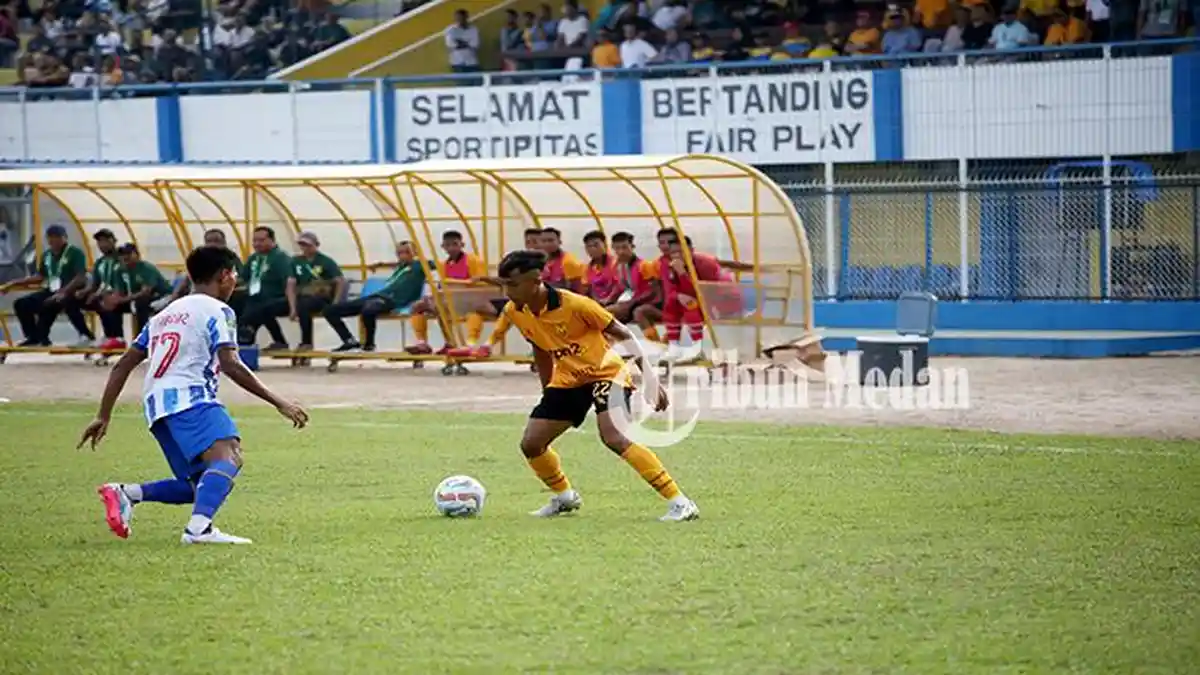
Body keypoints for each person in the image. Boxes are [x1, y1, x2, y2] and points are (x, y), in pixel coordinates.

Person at [78, 246, 308, 545]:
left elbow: (124, 364)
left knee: (199, 485)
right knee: (229, 455)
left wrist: (103, 415)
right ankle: (199, 530)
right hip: (190, 396)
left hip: (157, 406)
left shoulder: (164, 314)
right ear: (224, 276)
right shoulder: (219, 310)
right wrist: (280, 402)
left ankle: (127, 493)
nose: (235, 281)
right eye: (234, 274)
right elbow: (231, 364)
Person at [493, 249, 699, 522]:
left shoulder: (576, 304)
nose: (507, 291)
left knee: (614, 437)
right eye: (504, 284)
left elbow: (624, 333)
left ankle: (681, 503)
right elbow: (540, 347)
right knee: (532, 443)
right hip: (568, 380)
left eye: (513, 284)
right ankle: (564, 497)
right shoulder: (514, 311)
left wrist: (649, 378)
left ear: (536, 280)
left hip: (606, 375)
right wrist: (548, 389)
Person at [324, 241, 428, 352]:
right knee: (330, 310)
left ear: (415, 253)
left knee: (369, 309)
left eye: (407, 252)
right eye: (399, 253)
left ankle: (369, 344)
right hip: (377, 297)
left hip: (393, 301)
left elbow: (434, 264)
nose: (402, 256)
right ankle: (349, 340)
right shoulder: (402, 266)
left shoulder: (419, 266)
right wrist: (381, 264)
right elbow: (396, 264)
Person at [1, 224, 93, 347]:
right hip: (51, 290)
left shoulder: (74, 253)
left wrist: (64, 291)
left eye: (57, 236)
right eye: (51, 237)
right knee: (22, 304)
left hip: (70, 290)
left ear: (64, 238)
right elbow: (40, 276)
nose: (54, 240)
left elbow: (80, 276)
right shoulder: (47, 255)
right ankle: (34, 337)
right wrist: (13, 283)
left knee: (59, 303)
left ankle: (85, 335)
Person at [408, 230, 488, 355]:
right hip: (449, 301)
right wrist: (429, 298)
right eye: (448, 245)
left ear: (462, 244)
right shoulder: (443, 264)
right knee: (417, 307)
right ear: (443, 247)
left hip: (470, 301)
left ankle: (470, 344)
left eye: (454, 244)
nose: (451, 248)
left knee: (473, 313)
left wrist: (457, 283)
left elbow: (480, 284)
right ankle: (423, 343)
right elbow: (441, 286)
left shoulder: (474, 261)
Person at [471, 227, 544, 357]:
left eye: (536, 242)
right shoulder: (522, 263)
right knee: (485, 307)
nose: (532, 245)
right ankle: (479, 344)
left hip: (545, 302)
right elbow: (507, 280)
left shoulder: (551, 263)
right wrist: (485, 279)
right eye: (528, 242)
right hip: (526, 301)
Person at [97, 243, 173, 349]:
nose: (125, 257)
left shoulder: (146, 268)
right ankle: (117, 338)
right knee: (109, 306)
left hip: (160, 297)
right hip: (135, 299)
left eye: (128, 254)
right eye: (122, 254)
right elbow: (119, 292)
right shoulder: (119, 270)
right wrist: (112, 300)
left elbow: (146, 291)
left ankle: (142, 341)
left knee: (141, 304)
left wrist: (122, 299)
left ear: (136, 254)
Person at [162, 229, 247, 316]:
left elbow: (240, 279)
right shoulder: (200, 258)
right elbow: (187, 280)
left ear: (224, 242)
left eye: (216, 240)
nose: (213, 243)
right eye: (209, 241)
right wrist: (174, 299)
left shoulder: (231, 259)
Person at [285, 231, 345, 352]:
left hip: (321, 297)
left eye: (308, 245)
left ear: (316, 245)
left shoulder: (325, 261)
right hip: (302, 296)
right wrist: (292, 307)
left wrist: (336, 302)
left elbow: (340, 281)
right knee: (267, 308)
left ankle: (306, 342)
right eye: (302, 245)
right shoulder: (296, 261)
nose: (304, 248)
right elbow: (291, 284)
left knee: (304, 305)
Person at [240, 226, 293, 351]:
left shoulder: (280, 258)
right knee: (238, 308)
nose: (257, 244)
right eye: (255, 241)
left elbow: (289, 281)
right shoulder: (254, 258)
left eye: (261, 240)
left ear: (272, 240)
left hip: (275, 298)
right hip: (254, 298)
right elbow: (244, 278)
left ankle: (279, 341)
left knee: (260, 311)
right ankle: (244, 342)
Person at [606, 231, 660, 324]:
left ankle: (652, 338)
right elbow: (619, 288)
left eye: (624, 247)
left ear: (632, 247)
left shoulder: (644, 265)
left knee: (608, 313)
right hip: (631, 302)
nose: (621, 252)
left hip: (648, 303)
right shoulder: (617, 266)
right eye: (617, 248)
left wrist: (631, 302)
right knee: (601, 311)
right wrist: (608, 300)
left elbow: (653, 291)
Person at [77, 228, 121, 324]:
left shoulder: (121, 258)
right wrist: (85, 292)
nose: (102, 245)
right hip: (102, 293)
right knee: (75, 300)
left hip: (119, 292)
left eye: (105, 241)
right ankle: (87, 334)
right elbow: (95, 283)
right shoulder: (100, 262)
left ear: (114, 241)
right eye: (99, 242)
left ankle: (115, 334)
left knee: (107, 300)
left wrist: (99, 294)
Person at [539, 227, 587, 292]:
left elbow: (578, 290)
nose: (547, 244)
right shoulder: (541, 261)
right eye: (543, 241)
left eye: (551, 240)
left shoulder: (569, 261)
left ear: (559, 241)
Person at [582, 230, 621, 306]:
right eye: (589, 246)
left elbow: (619, 286)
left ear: (605, 245)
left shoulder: (615, 263)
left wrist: (608, 299)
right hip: (597, 303)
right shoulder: (587, 268)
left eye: (596, 245)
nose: (592, 249)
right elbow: (588, 288)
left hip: (614, 302)